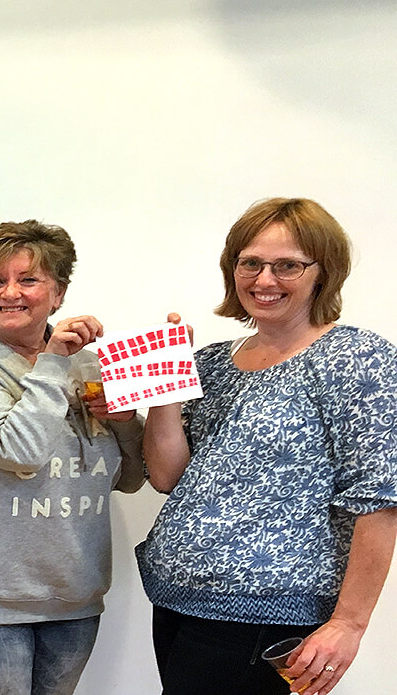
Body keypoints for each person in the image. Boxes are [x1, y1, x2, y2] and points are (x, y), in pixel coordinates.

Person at [138, 198, 397, 695]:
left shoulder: (355, 358)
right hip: (174, 596)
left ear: (323, 273)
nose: (264, 280)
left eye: (288, 266)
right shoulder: (211, 363)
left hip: (268, 613)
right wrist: (167, 379)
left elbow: (381, 502)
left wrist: (349, 624)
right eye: (250, 262)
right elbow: (169, 477)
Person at [0, 220, 144, 695]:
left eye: (28, 280)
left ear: (58, 293)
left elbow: (128, 477)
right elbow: (17, 450)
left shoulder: (89, 366)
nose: (10, 293)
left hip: (72, 596)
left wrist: (124, 420)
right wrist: (55, 363)